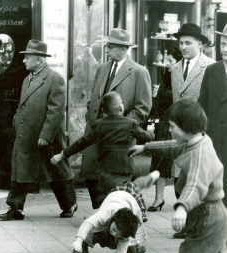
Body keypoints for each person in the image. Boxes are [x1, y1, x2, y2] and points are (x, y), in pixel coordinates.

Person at [129, 99, 227, 253]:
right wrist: (146, 148)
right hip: (212, 218)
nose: (169, 129)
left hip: (205, 217)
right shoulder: (197, 141)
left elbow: (195, 183)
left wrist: (182, 207)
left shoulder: (201, 153)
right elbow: (175, 147)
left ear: (186, 127)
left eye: (172, 126)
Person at [0, 40, 77, 221]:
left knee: (56, 170)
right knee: (20, 169)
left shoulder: (55, 79)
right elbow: (22, 105)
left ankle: (69, 204)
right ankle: (16, 208)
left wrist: (46, 135)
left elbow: (56, 111)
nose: (24, 61)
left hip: (46, 137)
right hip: (26, 134)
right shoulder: (27, 79)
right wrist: (17, 120)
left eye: (28, 57)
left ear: (40, 60)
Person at [82, 28, 152, 209]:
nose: (107, 50)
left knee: (114, 177)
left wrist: (122, 125)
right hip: (96, 130)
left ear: (122, 49)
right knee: (91, 174)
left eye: (111, 47)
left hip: (118, 137)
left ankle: (111, 212)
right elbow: (95, 96)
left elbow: (143, 107)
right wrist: (90, 113)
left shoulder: (138, 72)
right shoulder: (102, 68)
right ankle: (100, 209)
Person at [51, 91, 154, 195]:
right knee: (121, 200)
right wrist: (151, 131)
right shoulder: (130, 123)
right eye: (121, 102)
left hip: (104, 174)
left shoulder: (99, 125)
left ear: (104, 111)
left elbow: (81, 143)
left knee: (109, 199)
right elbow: (147, 137)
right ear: (121, 108)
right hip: (123, 172)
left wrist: (62, 155)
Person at [71, 172, 159, 253]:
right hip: (116, 195)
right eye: (115, 229)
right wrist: (78, 240)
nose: (115, 234)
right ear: (114, 219)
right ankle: (84, 245)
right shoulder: (106, 213)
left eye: (119, 234)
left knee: (130, 242)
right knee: (95, 226)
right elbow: (87, 223)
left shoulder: (126, 228)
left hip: (131, 203)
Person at [168, 23, 214, 238]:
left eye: (188, 43)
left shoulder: (210, 67)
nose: (184, 47)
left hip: (199, 131)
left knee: (194, 178)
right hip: (180, 133)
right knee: (180, 179)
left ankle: (195, 223)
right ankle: (189, 223)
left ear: (200, 45)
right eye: (181, 43)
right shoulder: (175, 69)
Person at [148, 48, 182, 212]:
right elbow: (158, 102)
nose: (167, 63)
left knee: (179, 164)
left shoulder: (183, 76)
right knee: (160, 160)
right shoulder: (166, 76)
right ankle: (158, 198)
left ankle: (181, 198)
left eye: (171, 61)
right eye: (167, 60)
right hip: (163, 124)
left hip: (178, 124)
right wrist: (153, 121)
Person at [199, 24, 227, 209]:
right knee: (217, 192)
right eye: (223, 43)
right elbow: (202, 106)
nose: (224, 49)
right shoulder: (212, 70)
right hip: (215, 143)